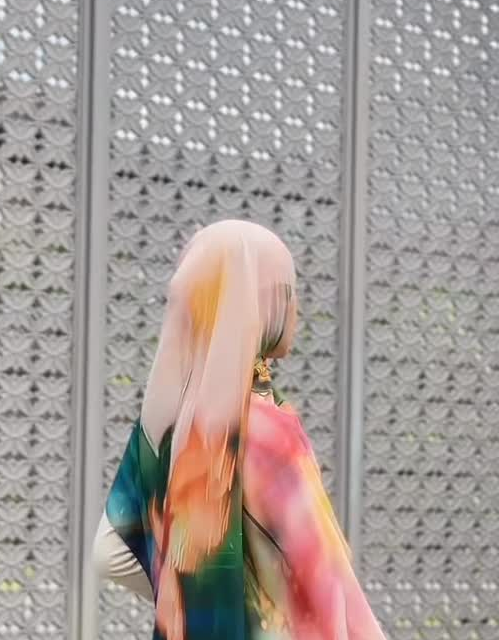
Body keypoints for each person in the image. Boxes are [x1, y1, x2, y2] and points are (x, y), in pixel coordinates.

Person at [92, 220, 387, 640]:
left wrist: (197, 602)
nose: (296, 308)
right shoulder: (266, 431)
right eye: (285, 292)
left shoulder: (171, 424)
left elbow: (110, 553)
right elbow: (325, 581)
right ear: (255, 304)